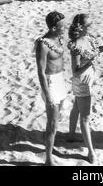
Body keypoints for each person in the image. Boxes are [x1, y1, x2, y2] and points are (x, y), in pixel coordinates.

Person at [67, 14, 103, 163]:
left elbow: (96, 51)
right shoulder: (75, 46)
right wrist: (89, 63)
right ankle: (90, 153)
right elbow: (75, 71)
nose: (92, 27)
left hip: (89, 79)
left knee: (77, 107)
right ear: (81, 27)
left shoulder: (89, 39)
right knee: (85, 117)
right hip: (82, 81)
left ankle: (70, 135)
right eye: (89, 25)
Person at [35, 11, 67, 166]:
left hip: (60, 80)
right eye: (62, 26)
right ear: (54, 28)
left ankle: (50, 148)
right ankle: (48, 159)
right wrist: (47, 95)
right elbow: (40, 71)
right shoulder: (43, 44)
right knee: (52, 123)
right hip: (51, 84)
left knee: (57, 119)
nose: (65, 28)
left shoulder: (59, 39)